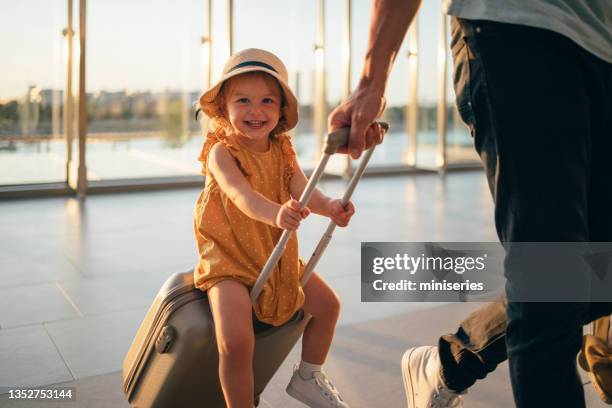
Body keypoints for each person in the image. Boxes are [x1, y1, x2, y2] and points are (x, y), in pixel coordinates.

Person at [328, 1, 612, 407]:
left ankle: (447, 363)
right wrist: (371, 80)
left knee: (599, 274)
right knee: (552, 278)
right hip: (514, 33)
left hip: (602, 50)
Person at [194, 48, 355, 408]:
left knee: (327, 306)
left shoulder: (282, 148)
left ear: (282, 109)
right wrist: (275, 214)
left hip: (273, 253)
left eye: (268, 100)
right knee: (236, 341)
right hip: (229, 260)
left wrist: (329, 207)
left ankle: (308, 376)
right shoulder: (221, 151)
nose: (256, 110)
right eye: (244, 100)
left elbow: (302, 187)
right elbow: (240, 195)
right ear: (224, 107)